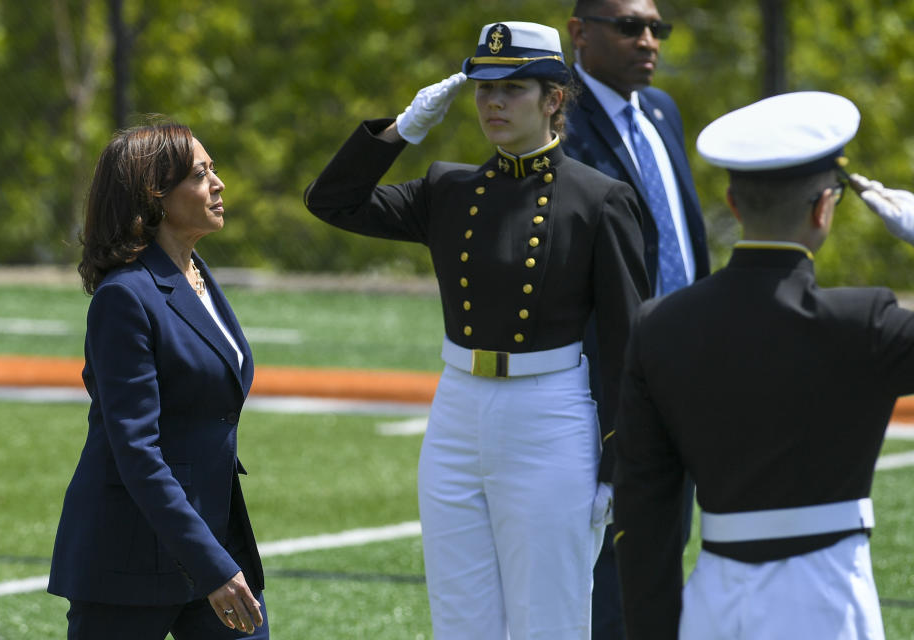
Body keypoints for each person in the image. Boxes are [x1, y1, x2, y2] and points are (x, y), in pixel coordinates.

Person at [304, 21, 650, 639]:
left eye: (513, 88)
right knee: (461, 620)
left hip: (551, 417)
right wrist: (403, 130)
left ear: (554, 98)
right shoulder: (451, 188)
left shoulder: (598, 199)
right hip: (457, 410)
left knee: (549, 619)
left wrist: (619, 459)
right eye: (484, 87)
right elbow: (332, 201)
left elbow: (629, 343)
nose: (492, 101)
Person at [613, 91, 907, 639]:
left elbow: (644, 510)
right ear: (824, 208)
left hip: (715, 605)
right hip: (831, 601)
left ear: (734, 202)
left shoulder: (659, 326)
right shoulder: (863, 321)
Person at [47, 122, 267, 639]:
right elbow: (136, 450)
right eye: (201, 174)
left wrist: (214, 555)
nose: (219, 184)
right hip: (129, 556)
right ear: (156, 197)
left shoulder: (197, 273)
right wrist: (209, 562)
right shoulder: (124, 297)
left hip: (212, 537)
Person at [563, 1, 709, 635]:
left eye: (656, 29)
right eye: (629, 27)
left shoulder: (662, 112)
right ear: (580, 33)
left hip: (689, 370)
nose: (647, 41)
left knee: (667, 547)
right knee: (608, 567)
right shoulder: (556, 122)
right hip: (607, 380)